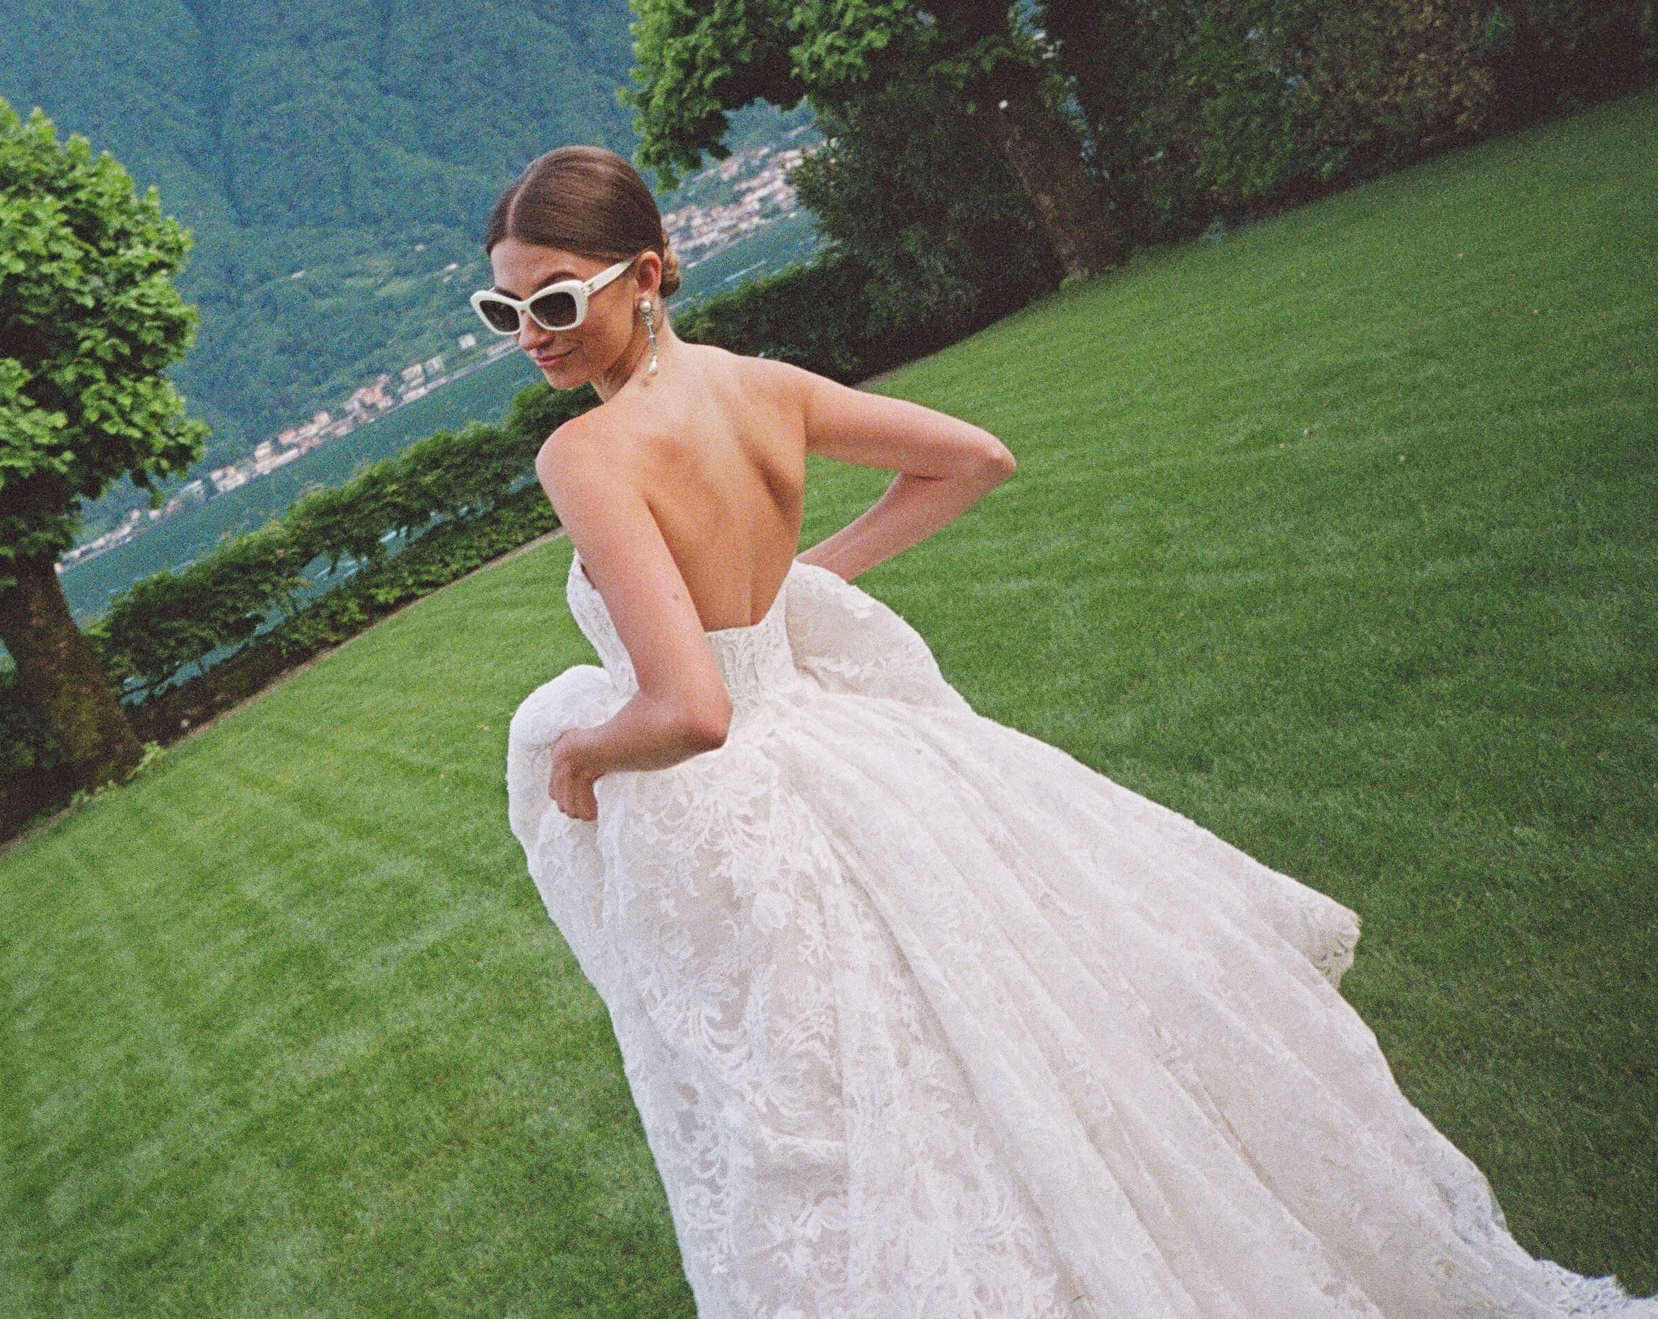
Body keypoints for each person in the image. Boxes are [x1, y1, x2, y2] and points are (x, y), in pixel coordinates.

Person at [485, 146, 1649, 1319]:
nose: (530, 331)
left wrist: (577, 750)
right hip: (861, 761)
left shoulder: (586, 452)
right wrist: (796, 588)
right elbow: (969, 459)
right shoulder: (759, 385)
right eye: (505, 308)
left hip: (758, 803)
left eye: (553, 299)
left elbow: (690, 709)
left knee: (842, 1111)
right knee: (997, 1054)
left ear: (643, 274)